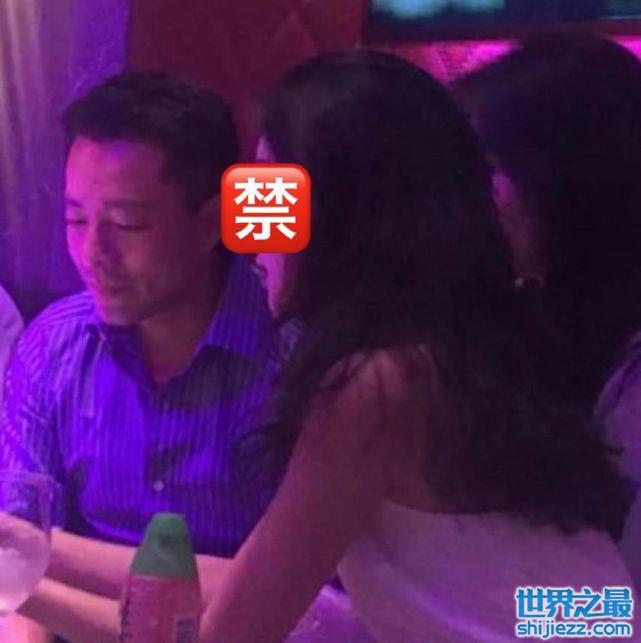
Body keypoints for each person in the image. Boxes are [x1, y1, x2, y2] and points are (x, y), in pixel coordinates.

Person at [14, 50, 636, 643]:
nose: (250, 234)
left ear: (346, 218)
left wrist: (17, 582)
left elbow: (226, 633)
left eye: (271, 200)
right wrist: (22, 553)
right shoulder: (446, 348)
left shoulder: (375, 387)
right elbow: (597, 607)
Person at [0, 71, 287, 641]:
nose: (92, 253)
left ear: (212, 222)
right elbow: (20, 551)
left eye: (126, 224)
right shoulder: (54, 347)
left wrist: (30, 560)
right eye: (76, 219)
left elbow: (299, 596)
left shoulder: (293, 359)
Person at [454, 32, 641, 591]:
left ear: (564, 177)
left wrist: (453, 613)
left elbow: (621, 613)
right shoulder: (537, 316)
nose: (462, 199)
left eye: (484, 170)